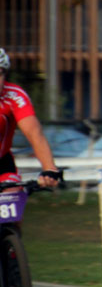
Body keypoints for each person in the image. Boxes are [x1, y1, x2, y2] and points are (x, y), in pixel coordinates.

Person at [0, 48, 62, 188]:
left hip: (2, 163)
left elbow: (34, 133)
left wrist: (49, 169)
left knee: (13, 192)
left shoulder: (14, 95)